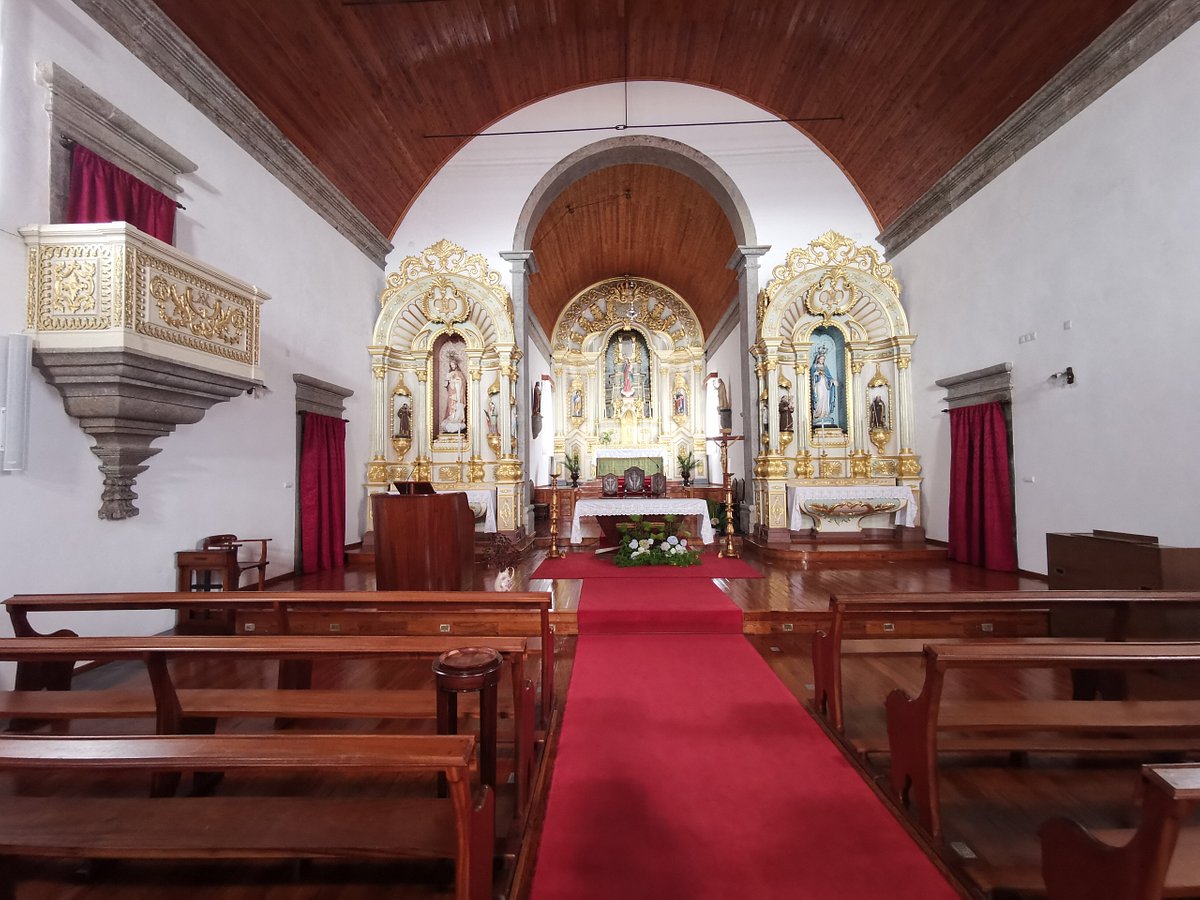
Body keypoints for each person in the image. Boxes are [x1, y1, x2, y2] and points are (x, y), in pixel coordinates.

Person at [811, 345, 839, 427]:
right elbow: (811, 377)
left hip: (825, 384)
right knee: (819, 397)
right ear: (818, 359)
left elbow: (829, 376)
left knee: (825, 398)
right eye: (821, 359)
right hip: (818, 384)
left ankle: (825, 414)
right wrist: (815, 374)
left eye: (823, 359)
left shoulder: (825, 367)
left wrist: (833, 380)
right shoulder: (814, 366)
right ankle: (818, 414)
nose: (822, 360)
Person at [439, 356, 466, 434]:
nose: (452, 366)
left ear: (456, 365)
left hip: (457, 393)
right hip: (451, 393)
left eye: (453, 365)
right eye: (451, 365)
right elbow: (445, 384)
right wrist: (448, 380)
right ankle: (451, 419)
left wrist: (456, 381)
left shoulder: (459, 374)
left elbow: (462, 382)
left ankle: (457, 419)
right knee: (451, 405)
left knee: (457, 405)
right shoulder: (450, 373)